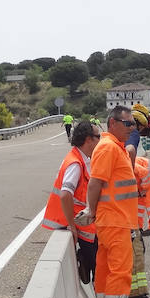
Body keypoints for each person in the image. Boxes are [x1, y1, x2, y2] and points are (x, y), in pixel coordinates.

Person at [76, 105, 140, 298]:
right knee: (119, 270)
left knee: (105, 269)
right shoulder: (108, 148)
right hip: (114, 220)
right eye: (128, 124)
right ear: (112, 123)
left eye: (133, 124)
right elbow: (95, 183)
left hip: (115, 219)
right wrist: (92, 210)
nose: (131, 128)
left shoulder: (115, 148)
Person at [42, 120, 101, 284]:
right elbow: (65, 194)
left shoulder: (80, 159)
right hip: (82, 227)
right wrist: (72, 226)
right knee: (101, 270)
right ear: (88, 140)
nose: (100, 141)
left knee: (99, 269)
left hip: (84, 225)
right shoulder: (75, 163)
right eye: (98, 137)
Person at [124, 104, 150, 298]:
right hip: (121, 209)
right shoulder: (132, 138)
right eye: (143, 129)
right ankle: (135, 296)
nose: (141, 134)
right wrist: (130, 182)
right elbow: (129, 155)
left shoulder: (112, 140)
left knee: (133, 250)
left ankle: (132, 295)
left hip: (117, 209)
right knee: (136, 250)